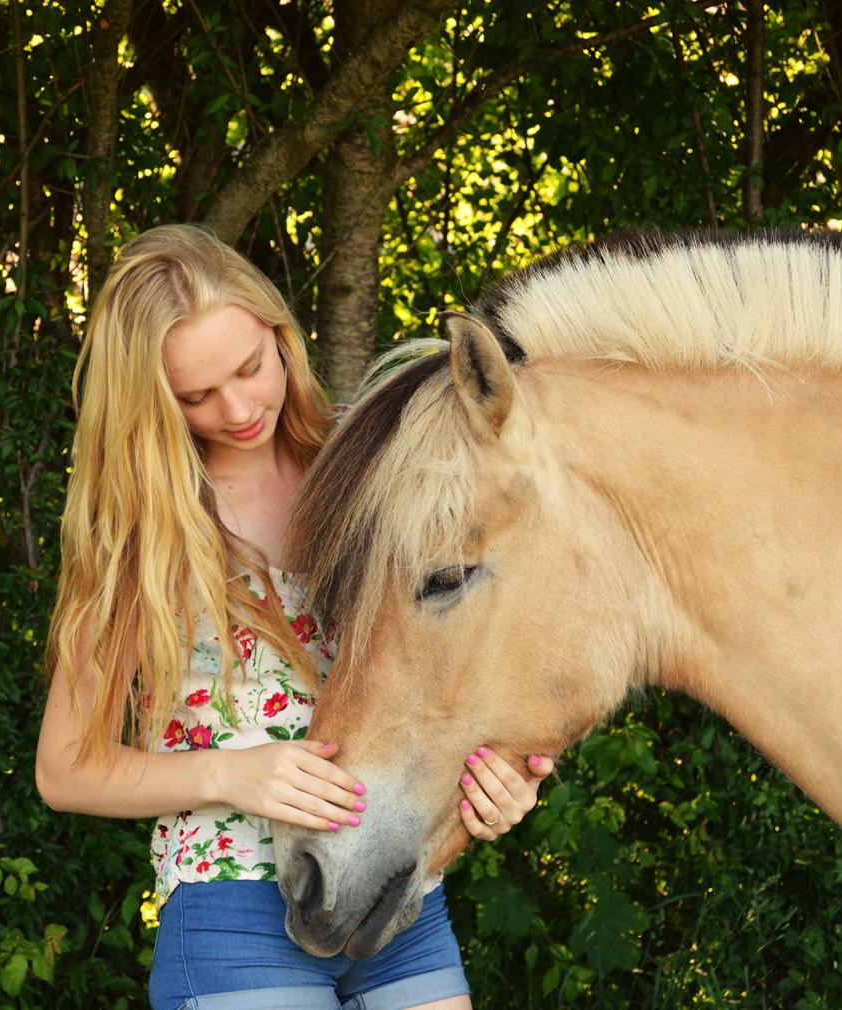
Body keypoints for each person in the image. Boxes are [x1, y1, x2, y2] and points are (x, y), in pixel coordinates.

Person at [35, 224, 554, 1010]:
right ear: (150, 398)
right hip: (231, 913)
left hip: (396, 899)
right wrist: (230, 773)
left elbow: (465, 638)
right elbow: (64, 768)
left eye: (251, 367)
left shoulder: (378, 463)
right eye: (196, 395)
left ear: (283, 334)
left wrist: (500, 778)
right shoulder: (140, 529)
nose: (239, 408)